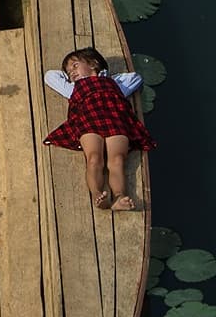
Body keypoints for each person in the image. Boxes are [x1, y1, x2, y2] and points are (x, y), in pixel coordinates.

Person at [44, 46, 155, 211]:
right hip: (89, 120)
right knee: (94, 158)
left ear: (94, 64)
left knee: (117, 160)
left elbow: (135, 78)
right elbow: (50, 76)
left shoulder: (115, 84)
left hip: (115, 119)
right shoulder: (73, 88)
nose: (71, 72)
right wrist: (73, 77)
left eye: (75, 66)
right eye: (68, 72)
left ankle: (119, 197)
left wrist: (104, 75)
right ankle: (97, 194)